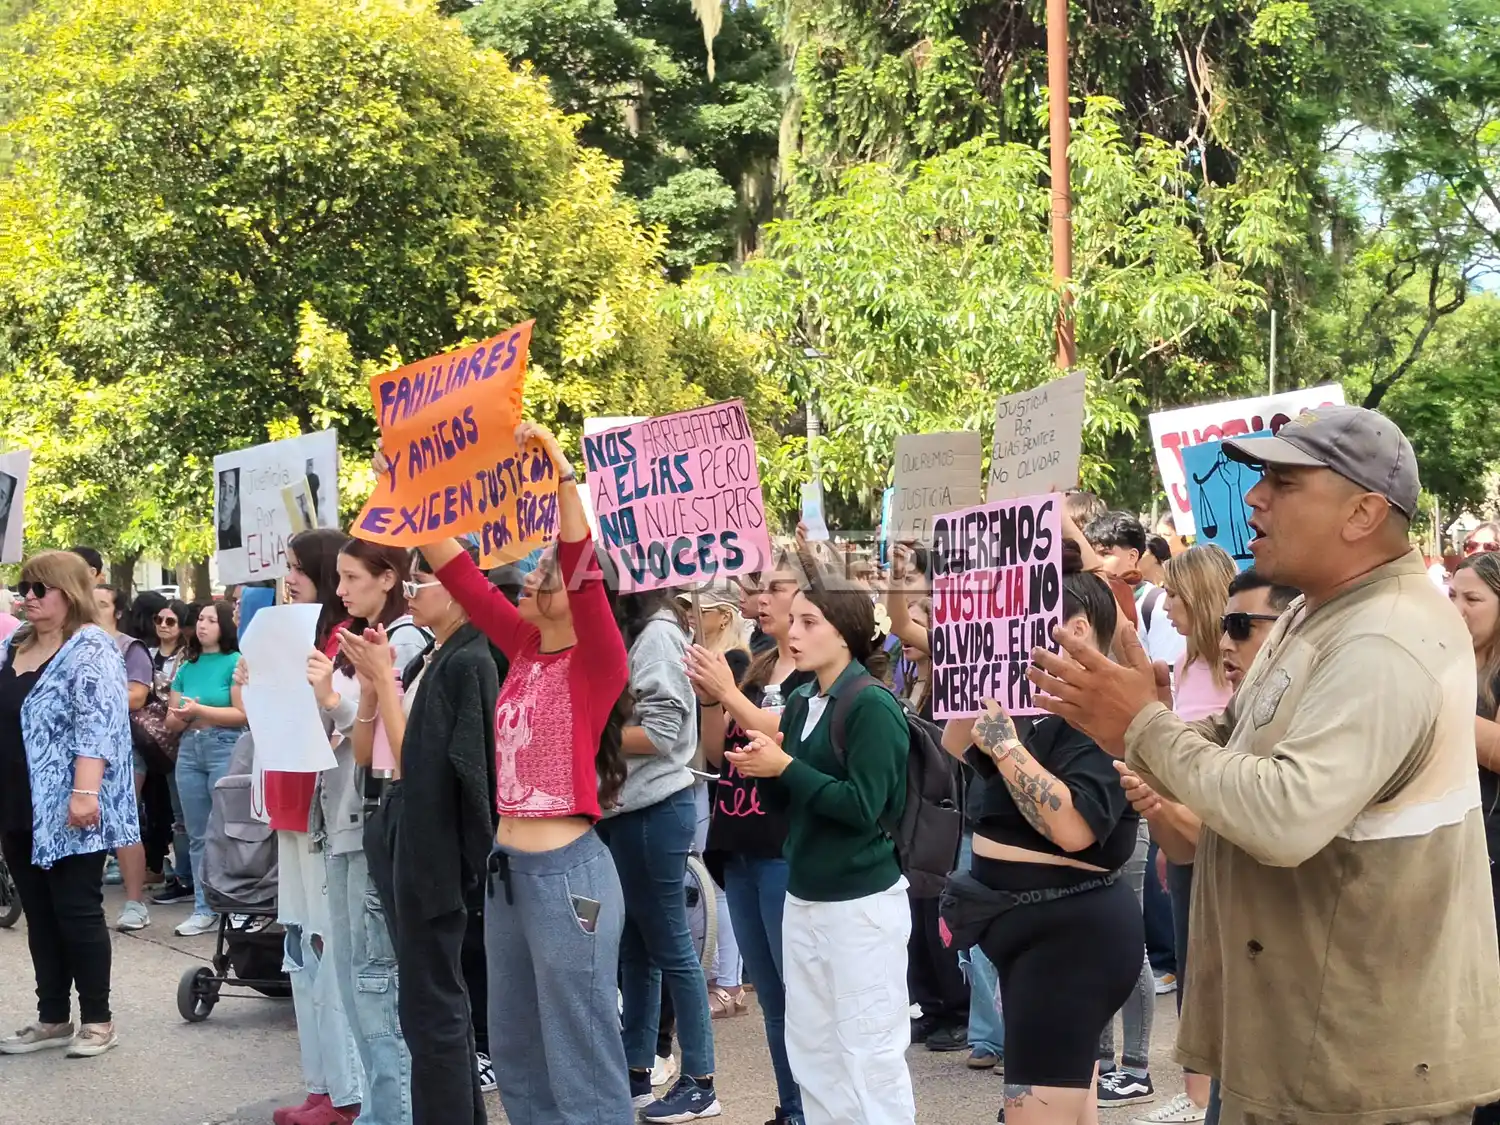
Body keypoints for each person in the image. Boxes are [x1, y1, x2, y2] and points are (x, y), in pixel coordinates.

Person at [1031, 405, 1500, 1125]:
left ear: (1363, 513)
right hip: (1308, 1046)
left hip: (1353, 1071)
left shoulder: (1386, 637)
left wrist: (1146, 727)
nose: (1254, 498)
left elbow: (1284, 815)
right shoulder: (1326, 610)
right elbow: (1245, 733)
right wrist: (1142, 717)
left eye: (1282, 481)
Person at [419, 423, 634, 1125]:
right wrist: (416, 477)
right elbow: (455, 570)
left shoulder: (598, 660)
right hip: (507, 870)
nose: (536, 570)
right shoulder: (522, 644)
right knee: (514, 1046)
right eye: (535, 564)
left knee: (580, 1046)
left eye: (548, 566)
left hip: (570, 874)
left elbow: (580, 559)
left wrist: (562, 475)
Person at [940, 569, 1143, 1125]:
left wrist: (1006, 746)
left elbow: (1075, 827)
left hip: (1069, 940)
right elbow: (956, 743)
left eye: (1022, 626)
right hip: (1036, 932)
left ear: (1074, 631)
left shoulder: (1098, 719)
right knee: (1070, 1107)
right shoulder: (1036, 711)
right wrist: (972, 663)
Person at [728, 576, 915, 1125]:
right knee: (813, 1053)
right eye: (796, 620)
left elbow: (864, 807)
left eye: (811, 623)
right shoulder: (803, 698)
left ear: (846, 634)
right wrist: (765, 766)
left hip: (860, 904)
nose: (794, 632)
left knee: (869, 1055)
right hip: (805, 896)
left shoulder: (872, 705)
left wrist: (785, 766)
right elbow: (790, 800)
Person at [1117, 568, 1300, 1125]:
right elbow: (1192, 839)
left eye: (1241, 626)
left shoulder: (1309, 716)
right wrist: (1157, 799)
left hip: (1276, 966)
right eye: (1224, 626)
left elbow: (1260, 817)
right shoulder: (1206, 679)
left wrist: (1155, 748)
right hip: (1208, 889)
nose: (1227, 641)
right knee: (1209, 1008)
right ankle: (1202, 1098)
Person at [344, 548, 499, 1125]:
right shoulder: (434, 655)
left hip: (436, 851)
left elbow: (428, 766)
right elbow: (372, 756)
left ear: (462, 586)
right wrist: (371, 687)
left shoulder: (470, 660)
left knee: (433, 1009)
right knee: (428, 1003)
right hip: (403, 834)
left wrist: (384, 679)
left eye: (422, 580)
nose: (410, 592)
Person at [0, 551, 139, 1058]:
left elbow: (97, 724)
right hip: (19, 801)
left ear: (69, 591)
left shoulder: (90, 647)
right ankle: (53, 1016)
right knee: (39, 913)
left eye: (41, 588)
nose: (29, 597)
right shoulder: (12, 646)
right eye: (24, 588)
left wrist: (84, 793)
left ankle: (98, 1020)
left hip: (69, 803)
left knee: (76, 910)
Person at [688, 564, 811, 1125]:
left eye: (777, 589)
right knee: (774, 998)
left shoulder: (817, 675)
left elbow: (779, 731)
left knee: (800, 992)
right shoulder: (756, 663)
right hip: (740, 842)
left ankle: (814, 1108)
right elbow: (715, 754)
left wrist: (726, 692)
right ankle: (791, 1106)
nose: (762, 599)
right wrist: (710, 700)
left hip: (787, 849)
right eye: (760, 590)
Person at [596, 578, 721, 1123]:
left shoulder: (657, 636)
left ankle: (700, 1079)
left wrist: (591, 732)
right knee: (637, 950)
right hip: (632, 810)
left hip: (654, 810)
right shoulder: (639, 634)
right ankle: (635, 1071)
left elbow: (665, 732)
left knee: (669, 947)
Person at [312, 540, 426, 1125]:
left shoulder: (403, 641)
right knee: (359, 986)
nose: (341, 590)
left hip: (369, 824)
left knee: (375, 986)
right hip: (345, 822)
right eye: (336, 577)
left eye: (352, 577)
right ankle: (381, 1112)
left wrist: (334, 697)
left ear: (389, 579)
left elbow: (383, 748)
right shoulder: (367, 639)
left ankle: (393, 1114)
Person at [260, 529, 365, 1125]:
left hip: (325, 810)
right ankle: (323, 1082)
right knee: (301, 948)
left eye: (298, 567)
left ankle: (347, 1092)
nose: (288, 577)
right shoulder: (290, 634)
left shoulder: (339, 642)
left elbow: (345, 725)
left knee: (329, 948)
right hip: (289, 803)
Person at [1131, 544, 1237, 1125]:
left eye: (1173, 593)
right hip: (1177, 832)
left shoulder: (1232, 669)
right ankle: (1199, 1095)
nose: (1164, 605)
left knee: (1214, 967)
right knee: (1193, 965)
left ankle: (1211, 1097)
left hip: (1219, 834)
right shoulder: (1183, 668)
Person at [677, 582, 750, 1020]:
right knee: (702, 878)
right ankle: (715, 973)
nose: (689, 613)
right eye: (684, 606)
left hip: (722, 781)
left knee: (718, 882)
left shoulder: (738, 660)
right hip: (700, 772)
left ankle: (729, 981)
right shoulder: (685, 651)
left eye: (697, 606)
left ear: (722, 615)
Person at [1451, 552, 1500, 1125]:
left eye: (1474, 600)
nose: (1459, 610)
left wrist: (1440, 707)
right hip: (1458, 855)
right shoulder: (1452, 665)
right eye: (1454, 597)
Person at [166, 599, 247, 936]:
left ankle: (237, 905)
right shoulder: (187, 666)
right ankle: (204, 907)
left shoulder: (236, 661)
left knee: (228, 830)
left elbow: (242, 714)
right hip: (189, 749)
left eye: (211, 620)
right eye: (200, 619)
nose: (202, 625)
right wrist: (184, 717)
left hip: (224, 745)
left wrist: (200, 711)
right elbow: (171, 720)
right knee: (197, 833)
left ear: (225, 626)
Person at [93, 584, 155, 933]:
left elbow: (136, 697)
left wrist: (91, 689)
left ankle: (135, 903)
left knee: (123, 821)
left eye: (102, 604)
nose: (94, 609)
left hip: (122, 748)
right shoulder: (72, 643)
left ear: (117, 612)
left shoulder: (129, 648)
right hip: (81, 747)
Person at [1087, 511, 1185, 668]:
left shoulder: (1158, 606)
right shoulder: (1088, 604)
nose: (1095, 562)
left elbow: (1168, 680)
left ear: (1132, 556)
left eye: (1105, 554)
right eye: (1090, 554)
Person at [148, 597, 196, 907]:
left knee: (186, 815)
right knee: (172, 814)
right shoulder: (147, 653)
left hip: (179, 739)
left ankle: (187, 878)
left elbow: (173, 698)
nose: (163, 626)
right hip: (153, 742)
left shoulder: (187, 659)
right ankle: (179, 874)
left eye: (171, 621)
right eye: (159, 619)